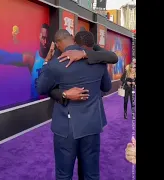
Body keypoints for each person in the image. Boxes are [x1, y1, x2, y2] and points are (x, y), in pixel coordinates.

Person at [37, 29, 111, 180]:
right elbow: (107, 87)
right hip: (92, 125)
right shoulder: (98, 61)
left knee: (64, 175)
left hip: (66, 128)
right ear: (72, 38)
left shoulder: (55, 65)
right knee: (91, 174)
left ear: (57, 45)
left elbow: (41, 88)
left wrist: (46, 62)